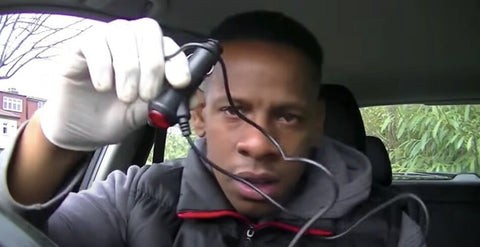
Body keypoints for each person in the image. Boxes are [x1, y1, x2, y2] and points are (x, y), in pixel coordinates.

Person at [0, 11, 425, 247]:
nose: (258, 144)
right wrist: (52, 139)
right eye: (234, 110)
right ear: (198, 116)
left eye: (287, 116)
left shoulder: (389, 230)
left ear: (317, 124)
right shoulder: (134, 201)